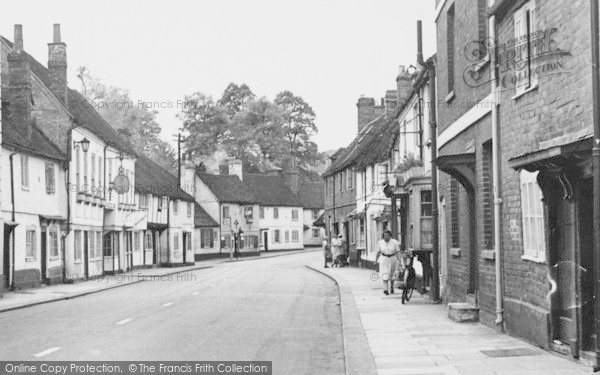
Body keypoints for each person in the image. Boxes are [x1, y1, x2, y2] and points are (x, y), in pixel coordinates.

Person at [376, 230, 401, 295]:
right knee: (385, 274)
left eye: (387, 235)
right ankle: (386, 289)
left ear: (390, 236)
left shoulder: (395, 242)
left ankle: (392, 287)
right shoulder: (380, 243)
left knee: (392, 274)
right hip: (384, 259)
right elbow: (378, 252)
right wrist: (375, 260)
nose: (386, 237)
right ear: (383, 236)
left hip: (392, 259)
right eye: (384, 236)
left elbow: (398, 252)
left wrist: (399, 260)